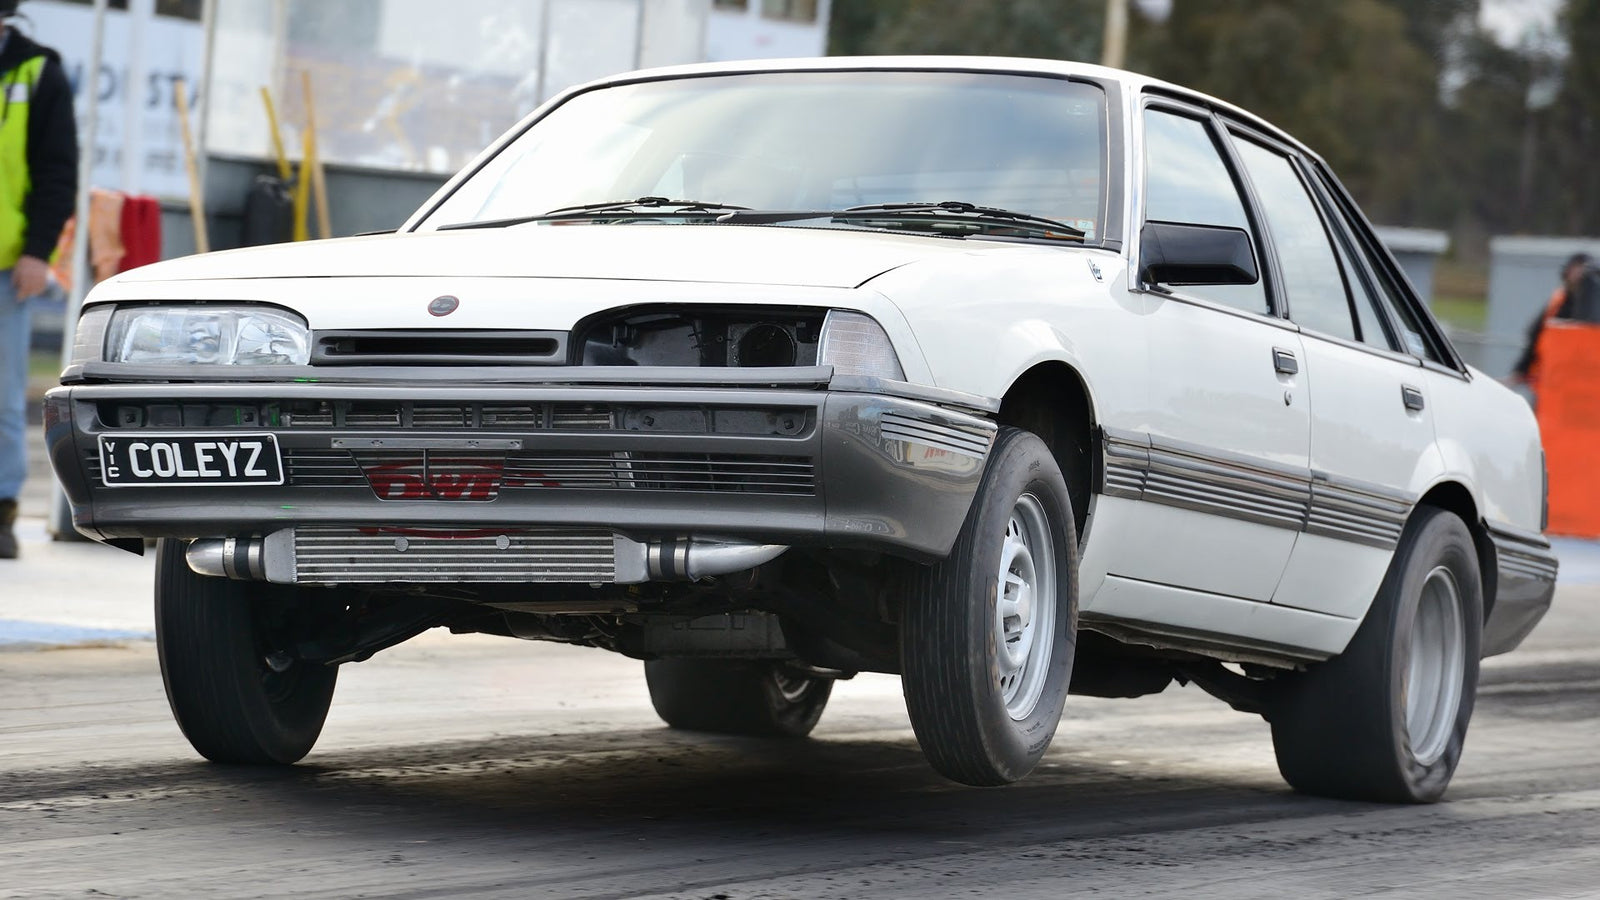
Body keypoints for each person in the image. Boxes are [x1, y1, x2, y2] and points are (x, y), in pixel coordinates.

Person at [0, 0, 78, 559]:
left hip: (7, 264)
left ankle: (1, 509)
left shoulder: (37, 72)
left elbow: (56, 170)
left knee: (3, 397)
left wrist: (36, 252)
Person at [1511, 252, 1597, 395]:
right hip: (1550, 382)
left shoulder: (1592, 306)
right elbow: (1535, 335)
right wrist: (1521, 369)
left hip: (1582, 387)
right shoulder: (1558, 301)